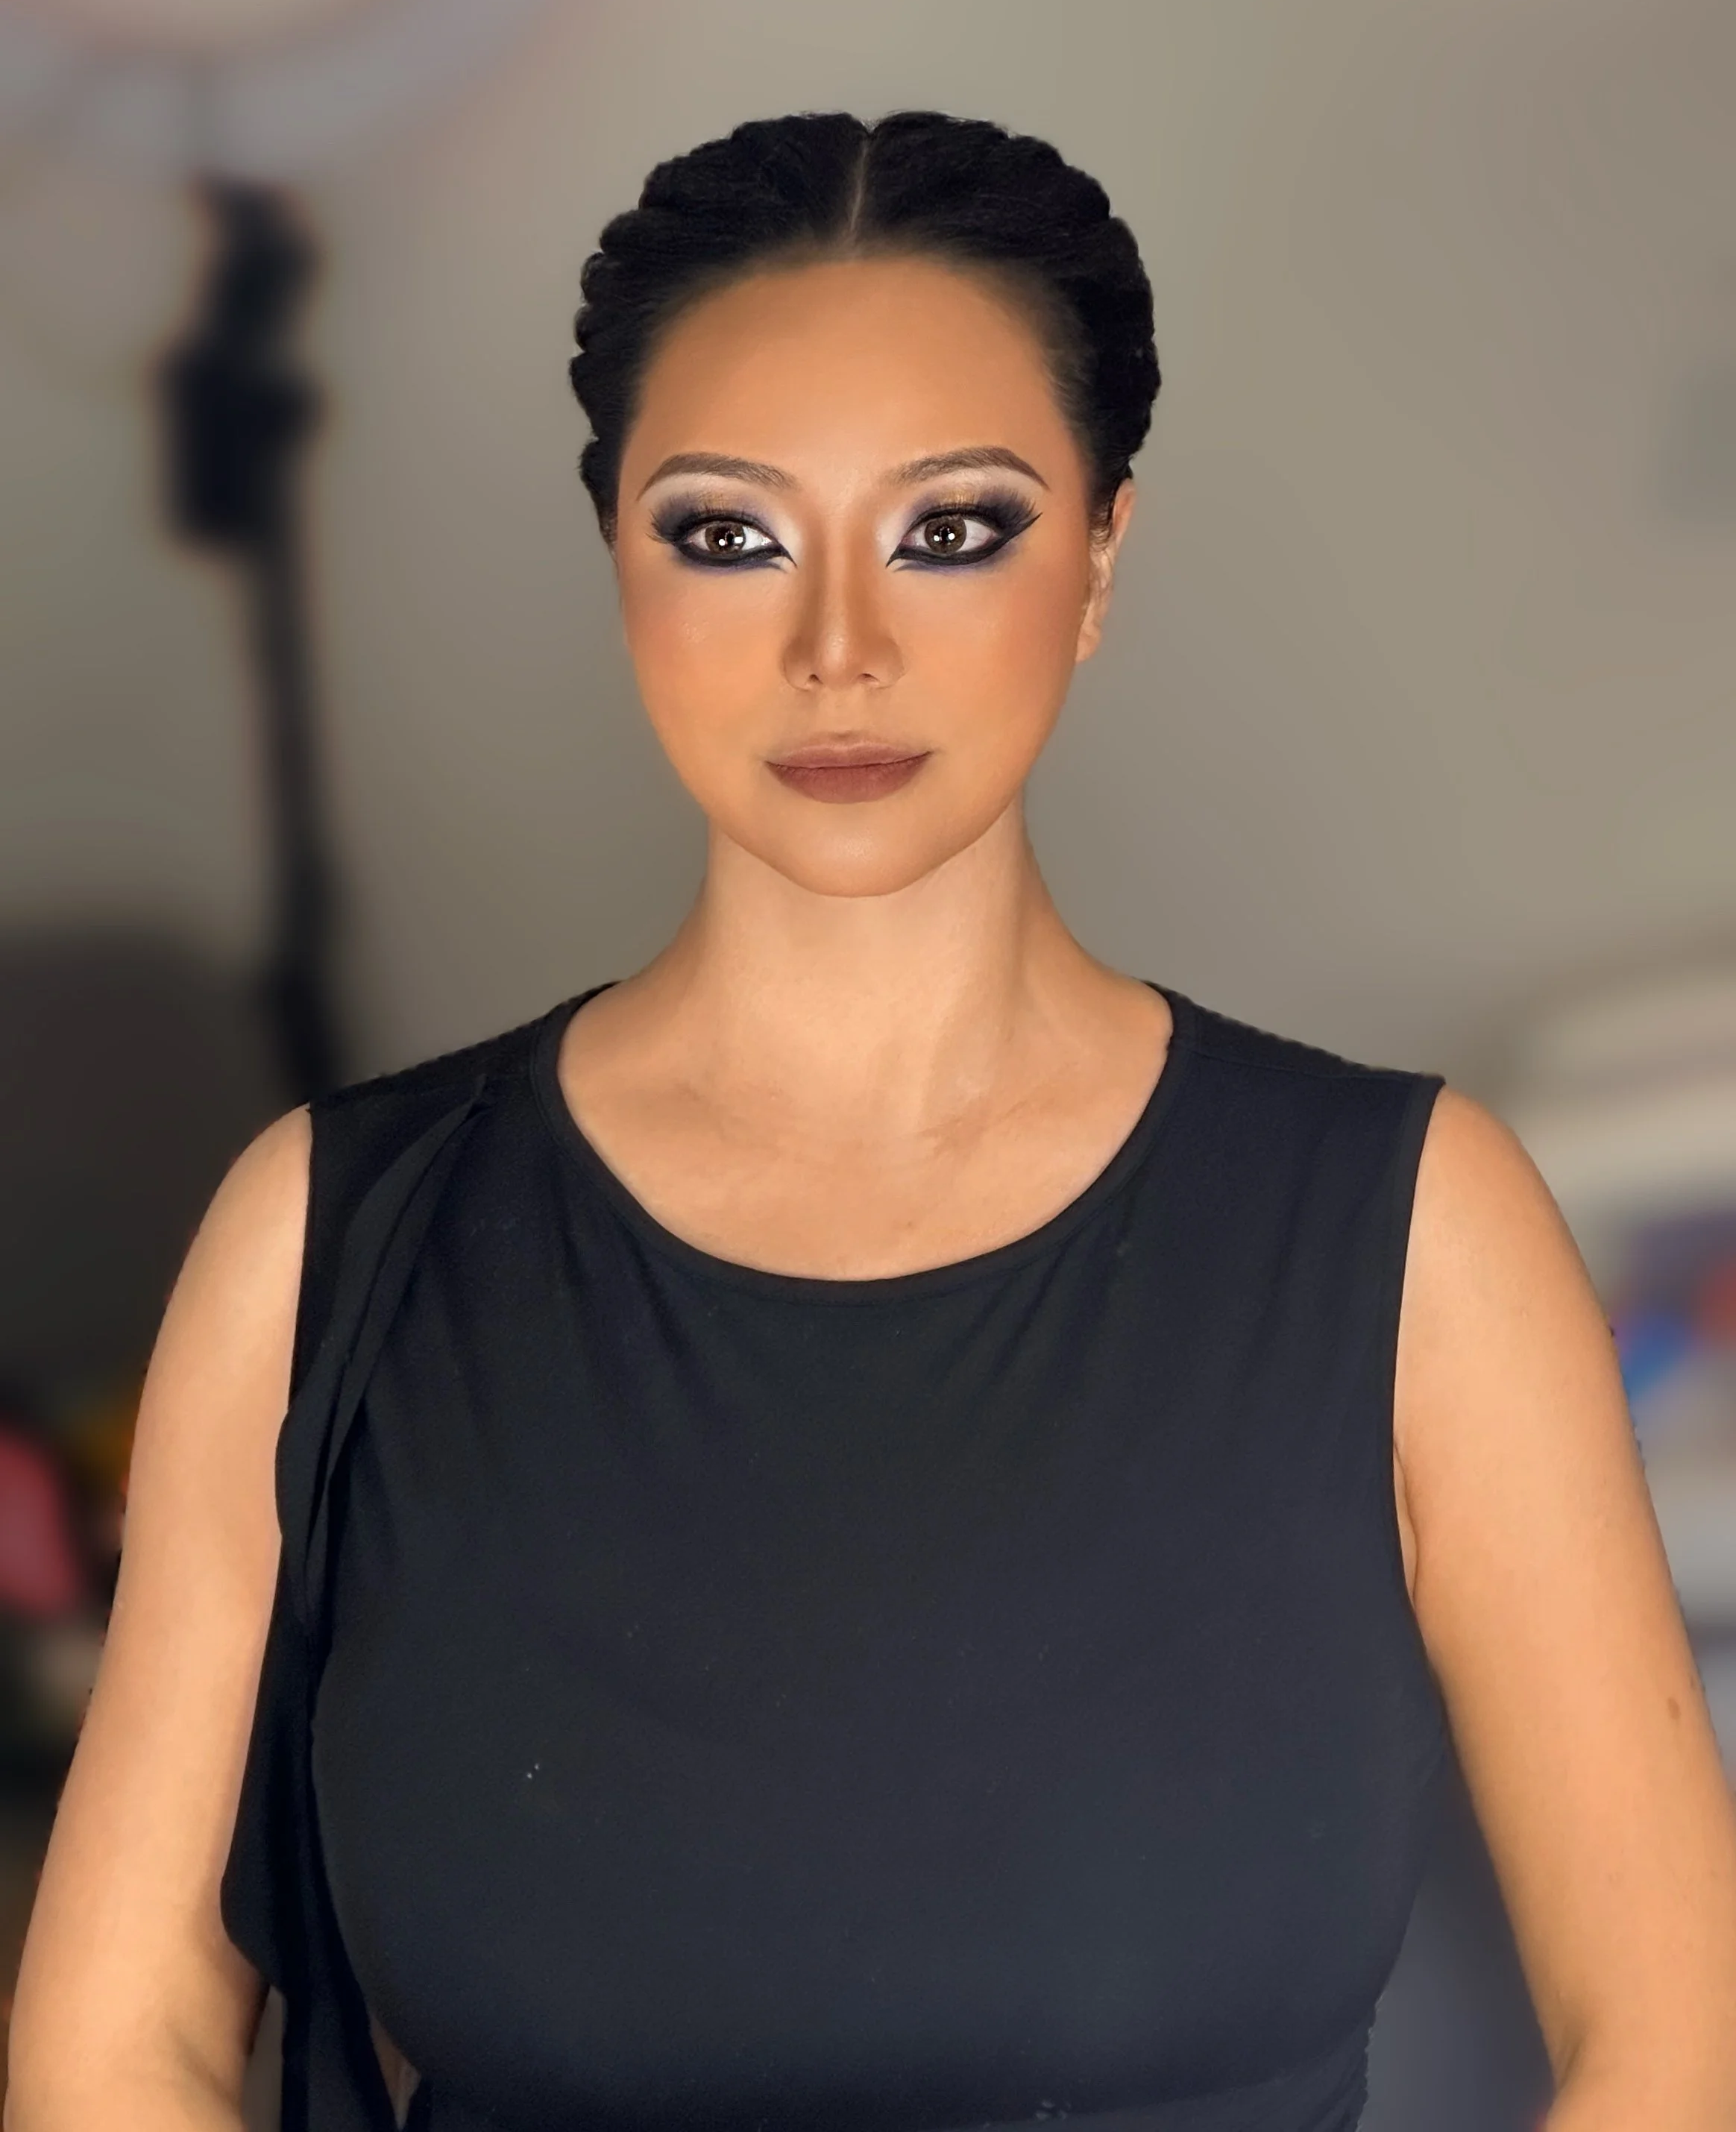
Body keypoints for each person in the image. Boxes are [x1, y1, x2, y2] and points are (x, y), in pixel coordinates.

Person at [10, 110, 1736, 2132]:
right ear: (620, 564)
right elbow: (114, 2053)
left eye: (955, 527)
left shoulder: (1413, 1230)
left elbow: (1676, 2042)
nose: (840, 645)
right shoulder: (325, 1240)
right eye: (729, 534)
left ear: (1099, 556)